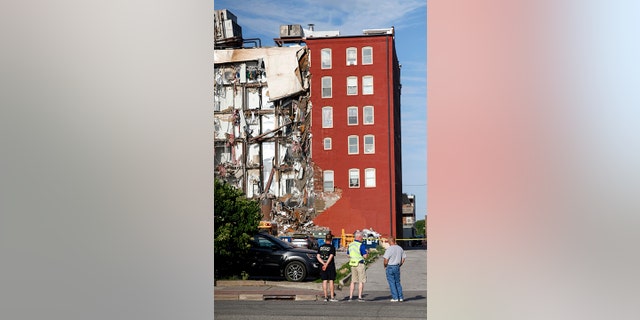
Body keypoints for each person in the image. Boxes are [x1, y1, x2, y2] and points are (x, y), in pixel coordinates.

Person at [383, 236, 407, 302]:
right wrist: (400, 264)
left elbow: (385, 259)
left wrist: (385, 265)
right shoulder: (400, 248)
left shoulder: (389, 249)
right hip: (397, 266)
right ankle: (401, 297)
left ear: (390, 242)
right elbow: (404, 258)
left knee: (392, 283)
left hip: (390, 266)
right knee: (397, 282)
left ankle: (395, 297)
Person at [347, 231, 368, 301]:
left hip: (352, 264)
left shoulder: (350, 245)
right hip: (360, 263)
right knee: (361, 281)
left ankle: (350, 297)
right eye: (362, 237)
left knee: (353, 281)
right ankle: (359, 297)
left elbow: (348, 255)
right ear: (359, 237)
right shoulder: (361, 245)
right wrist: (367, 253)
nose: (362, 238)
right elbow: (365, 256)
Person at [316, 233, 338, 302]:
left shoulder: (320, 247)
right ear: (331, 240)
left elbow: (318, 256)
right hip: (330, 266)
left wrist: (323, 263)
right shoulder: (332, 247)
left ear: (325, 239)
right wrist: (327, 264)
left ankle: (325, 297)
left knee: (324, 280)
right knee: (331, 280)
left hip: (322, 266)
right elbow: (331, 256)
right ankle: (332, 297)